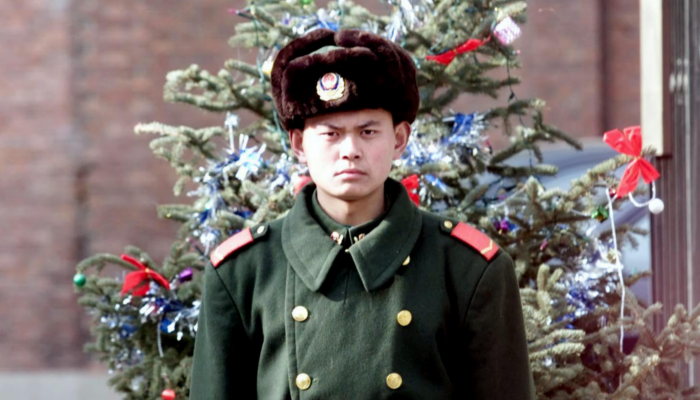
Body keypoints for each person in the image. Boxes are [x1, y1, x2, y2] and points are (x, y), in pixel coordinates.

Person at [189, 28, 535, 399]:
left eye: (368, 131)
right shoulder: (244, 271)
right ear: (299, 143)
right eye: (331, 134)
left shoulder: (469, 269)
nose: (350, 150)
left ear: (399, 139)